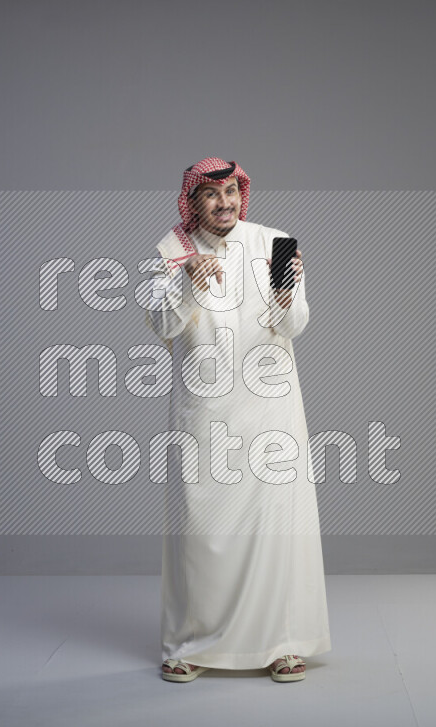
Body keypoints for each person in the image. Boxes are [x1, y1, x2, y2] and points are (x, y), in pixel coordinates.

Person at [143, 157, 331, 683]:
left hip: (270, 406)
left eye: (231, 192)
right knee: (201, 527)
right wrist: (187, 283)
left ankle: (283, 643)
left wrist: (288, 293)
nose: (223, 203)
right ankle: (188, 644)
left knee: (273, 526)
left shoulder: (274, 241)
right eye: (211, 195)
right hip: (205, 409)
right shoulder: (173, 250)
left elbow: (292, 325)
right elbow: (161, 324)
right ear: (192, 200)